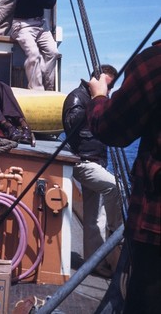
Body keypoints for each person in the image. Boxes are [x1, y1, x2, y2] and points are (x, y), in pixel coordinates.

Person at [87, 40, 161, 313]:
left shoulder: (154, 63)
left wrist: (98, 98)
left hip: (154, 232)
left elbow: (109, 127)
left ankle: (107, 251)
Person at [62, 64, 123, 278]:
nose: (108, 89)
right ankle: (117, 231)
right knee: (115, 187)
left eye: (111, 86)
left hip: (96, 162)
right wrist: (98, 101)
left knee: (94, 217)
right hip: (83, 162)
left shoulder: (97, 101)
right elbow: (72, 125)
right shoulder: (77, 97)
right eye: (106, 84)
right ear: (94, 80)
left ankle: (93, 261)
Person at [10, 0, 59, 90]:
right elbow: (48, 3)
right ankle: (36, 89)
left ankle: (49, 87)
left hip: (39, 24)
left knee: (53, 52)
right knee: (34, 54)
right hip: (23, 25)